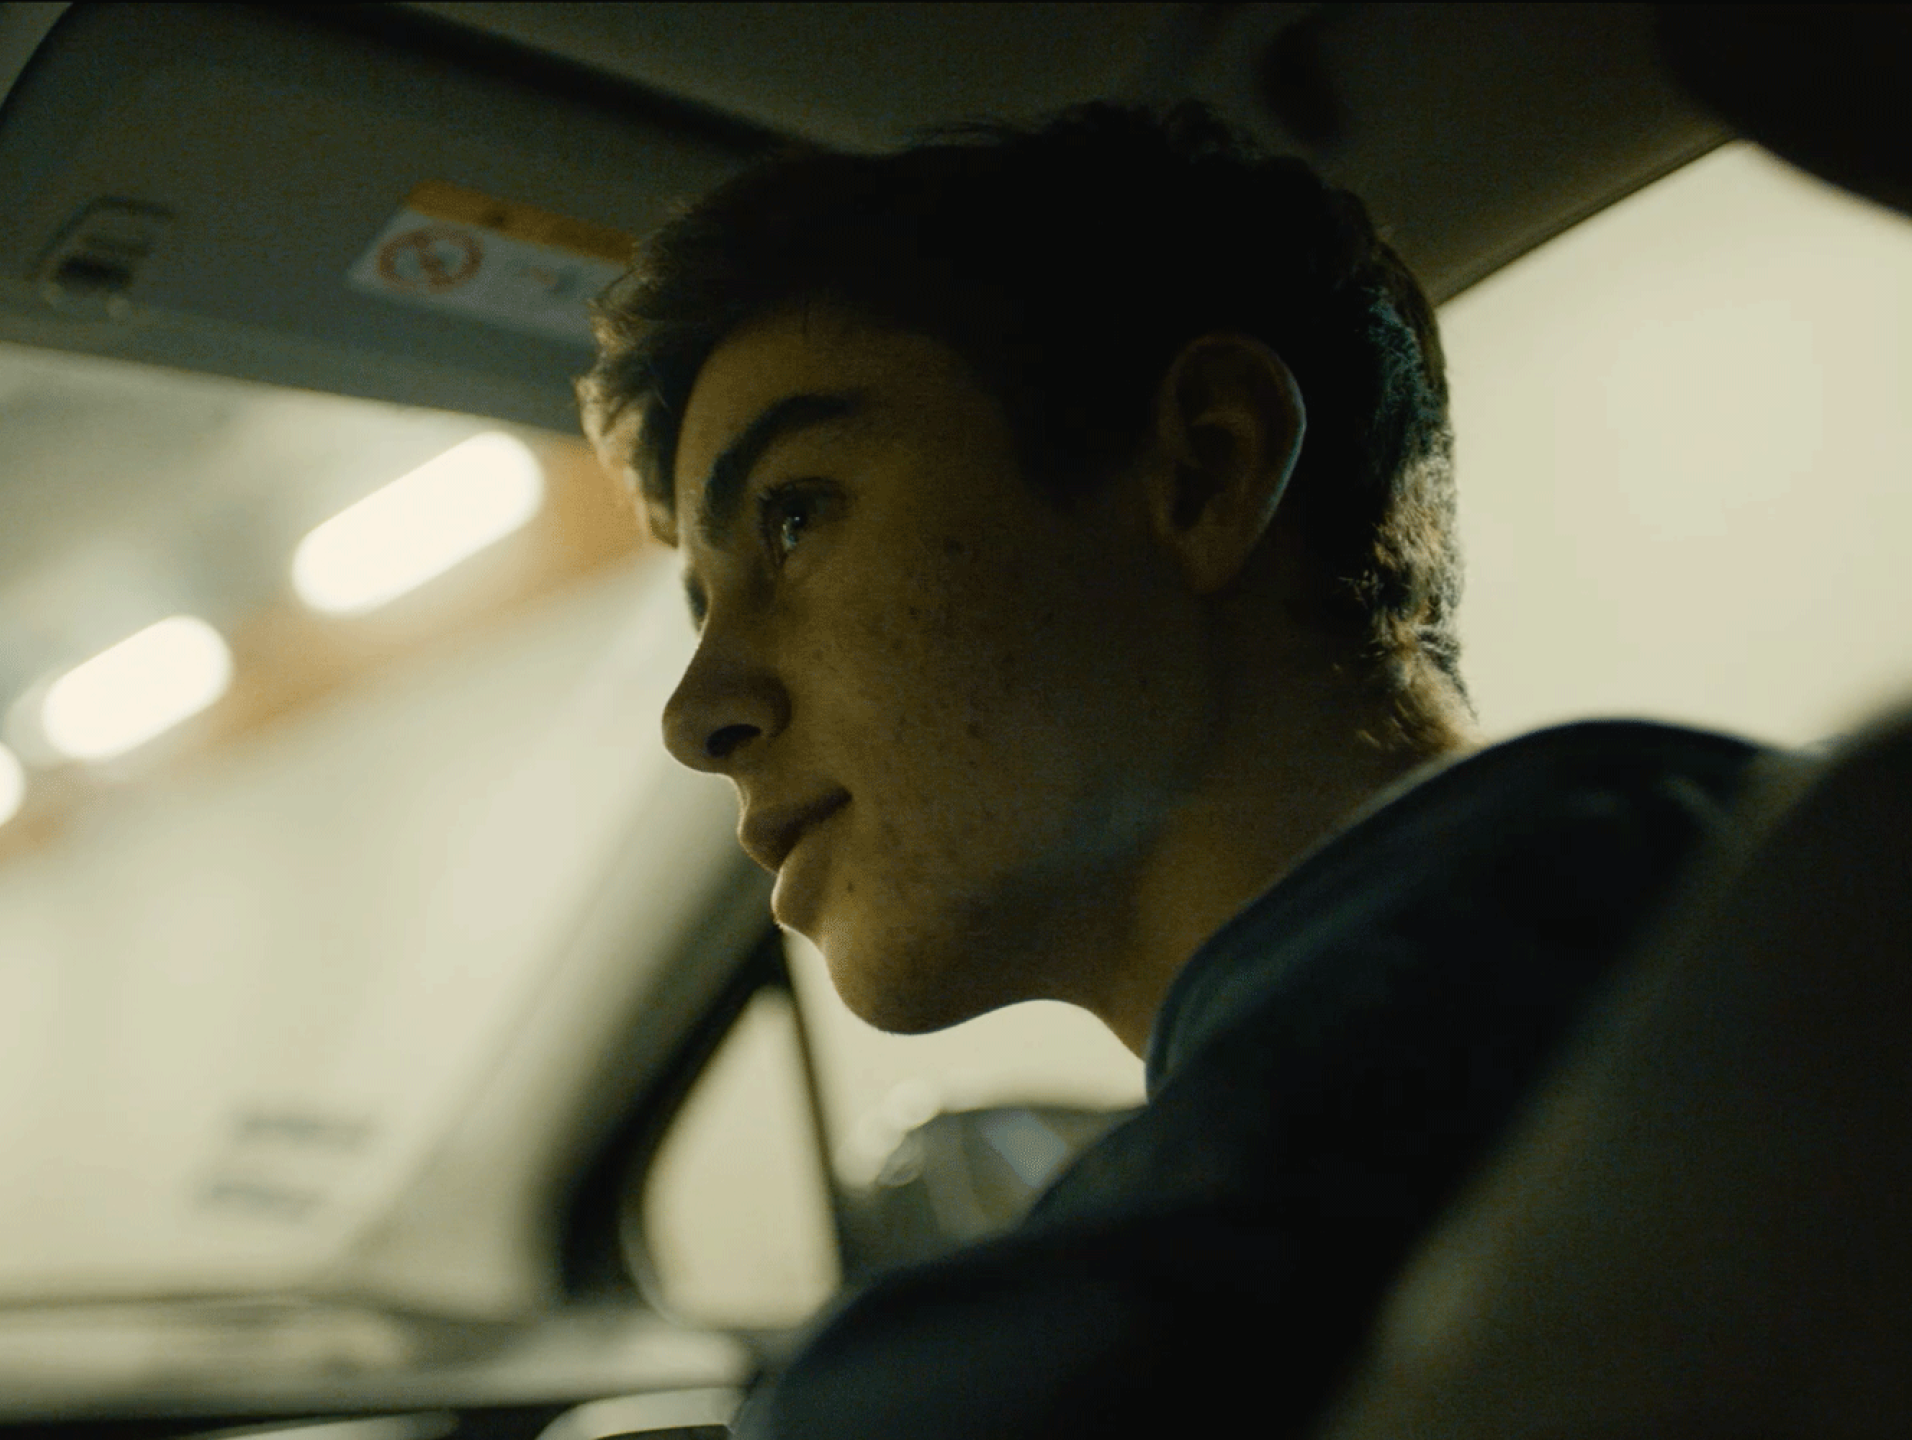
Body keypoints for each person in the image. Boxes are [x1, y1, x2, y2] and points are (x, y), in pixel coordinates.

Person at [578, 101, 1770, 1439]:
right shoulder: (1749, 903)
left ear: (1207, 467)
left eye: (795, 516)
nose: (696, 714)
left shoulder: (1080, 1352)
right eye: (702, 607)